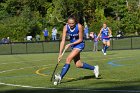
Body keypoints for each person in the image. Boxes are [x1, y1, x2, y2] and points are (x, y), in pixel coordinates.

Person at [54, 16, 99, 85]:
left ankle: (60, 76)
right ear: (67, 23)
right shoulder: (65, 27)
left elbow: (80, 39)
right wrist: (60, 54)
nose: (71, 25)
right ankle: (94, 68)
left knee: (68, 59)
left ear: (75, 22)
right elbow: (63, 41)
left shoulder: (79, 26)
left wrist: (70, 44)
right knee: (78, 64)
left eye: (72, 23)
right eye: (69, 23)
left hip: (80, 44)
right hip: (73, 45)